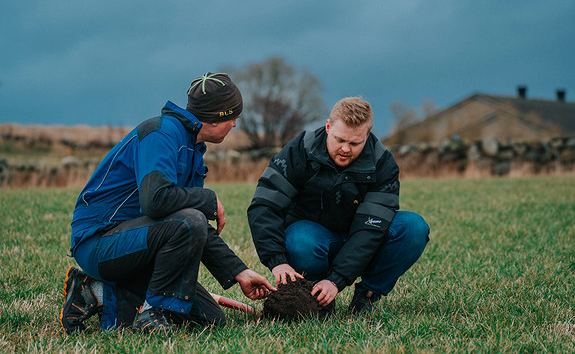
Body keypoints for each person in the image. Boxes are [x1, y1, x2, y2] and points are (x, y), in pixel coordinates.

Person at [61, 72, 275, 334]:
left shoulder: (192, 147)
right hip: (100, 242)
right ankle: (154, 313)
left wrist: (239, 272)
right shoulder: (160, 134)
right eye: (233, 117)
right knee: (191, 221)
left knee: (210, 320)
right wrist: (208, 199)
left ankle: (93, 291)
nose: (234, 125)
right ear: (217, 117)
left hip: (137, 243)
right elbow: (156, 201)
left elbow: (188, 223)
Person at [247, 97, 429, 315]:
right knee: (300, 238)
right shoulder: (300, 151)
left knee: (413, 227)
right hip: (311, 239)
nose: (345, 149)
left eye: (354, 143)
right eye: (339, 139)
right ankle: (316, 298)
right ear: (328, 126)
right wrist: (276, 261)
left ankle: (367, 295)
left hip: (361, 240)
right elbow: (264, 205)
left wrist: (336, 280)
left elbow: (370, 230)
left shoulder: (382, 164)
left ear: (367, 135)